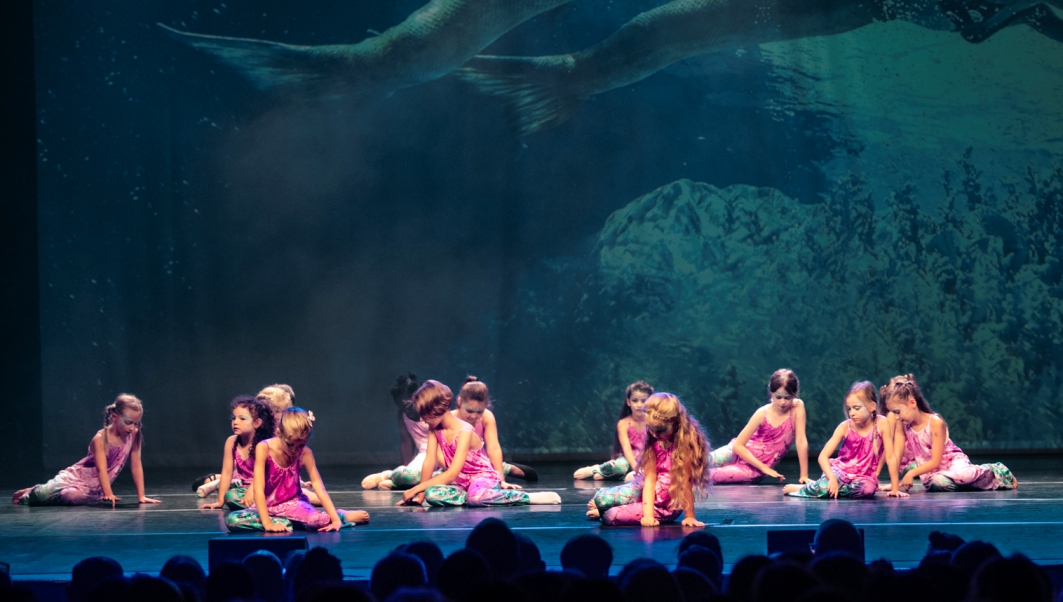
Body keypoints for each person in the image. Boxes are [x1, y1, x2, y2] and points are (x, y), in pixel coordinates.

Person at [397, 380, 560, 507]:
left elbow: (452, 473)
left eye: (424, 414)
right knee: (432, 494)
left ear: (435, 410)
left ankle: (527, 498)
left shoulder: (465, 431)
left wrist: (415, 488)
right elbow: (429, 461)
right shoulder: (435, 429)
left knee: (475, 497)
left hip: (482, 477)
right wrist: (420, 497)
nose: (422, 419)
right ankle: (474, 497)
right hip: (461, 483)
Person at [225, 407, 369, 531]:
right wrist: (267, 523)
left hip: (293, 505)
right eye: (290, 444)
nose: (294, 450)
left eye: (300, 445)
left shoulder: (305, 454)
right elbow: (258, 489)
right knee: (233, 520)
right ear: (279, 433)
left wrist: (336, 520)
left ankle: (340, 515)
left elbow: (319, 487)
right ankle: (293, 523)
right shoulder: (264, 448)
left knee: (315, 521)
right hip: (267, 506)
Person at [13, 394, 161, 507]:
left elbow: (136, 465)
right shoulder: (101, 438)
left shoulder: (134, 434)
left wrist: (141, 496)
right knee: (47, 495)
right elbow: (101, 469)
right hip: (76, 478)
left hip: (95, 486)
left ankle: (58, 494)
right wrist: (108, 493)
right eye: (128, 422)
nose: (132, 427)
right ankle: (35, 490)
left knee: (72, 497)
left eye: (136, 423)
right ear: (115, 417)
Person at [589, 392, 711, 527]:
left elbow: (685, 484)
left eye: (660, 430)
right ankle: (610, 508)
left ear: (675, 423)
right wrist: (648, 515)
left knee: (611, 516)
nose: (654, 434)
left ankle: (605, 512)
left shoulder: (683, 445)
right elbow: (650, 480)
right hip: (646, 492)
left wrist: (689, 517)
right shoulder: (654, 441)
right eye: (651, 429)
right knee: (600, 499)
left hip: (664, 505)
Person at [883, 374, 1017, 492]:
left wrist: (911, 473)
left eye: (897, 412)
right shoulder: (903, 424)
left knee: (964, 476)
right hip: (932, 472)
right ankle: (967, 484)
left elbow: (936, 461)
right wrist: (895, 485)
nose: (896, 417)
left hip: (951, 462)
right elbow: (897, 454)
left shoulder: (934, 422)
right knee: (938, 484)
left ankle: (994, 471)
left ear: (912, 403)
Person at [784, 381, 901, 498]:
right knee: (827, 488)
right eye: (849, 409)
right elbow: (823, 456)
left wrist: (895, 489)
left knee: (867, 490)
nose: (852, 413)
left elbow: (890, 457)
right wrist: (832, 477)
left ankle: (817, 487)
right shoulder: (845, 427)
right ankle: (814, 487)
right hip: (840, 472)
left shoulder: (882, 423)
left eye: (857, 408)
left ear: (872, 406)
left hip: (863, 477)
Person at [709, 369, 810, 484]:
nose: (782, 402)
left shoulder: (797, 407)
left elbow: (801, 441)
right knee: (699, 460)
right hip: (736, 453)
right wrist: (764, 468)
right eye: (778, 397)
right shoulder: (762, 413)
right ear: (771, 393)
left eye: (787, 398)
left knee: (705, 476)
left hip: (752, 469)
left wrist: (804, 475)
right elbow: (738, 446)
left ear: (795, 393)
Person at [201, 396, 276, 509]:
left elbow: (266, 474)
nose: (235, 422)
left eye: (242, 419)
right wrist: (220, 502)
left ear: (257, 423)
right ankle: (258, 505)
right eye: (234, 418)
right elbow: (227, 473)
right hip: (244, 488)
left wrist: (252, 491)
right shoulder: (231, 442)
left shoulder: (265, 444)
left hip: (265, 486)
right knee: (230, 496)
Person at [573, 381, 653, 481]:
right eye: (635, 401)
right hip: (627, 460)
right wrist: (635, 467)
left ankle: (610, 474)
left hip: (645, 459)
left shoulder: (653, 422)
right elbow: (627, 450)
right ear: (628, 402)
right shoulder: (623, 423)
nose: (639, 405)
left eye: (643, 401)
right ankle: (597, 468)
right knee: (620, 466)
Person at [361, 373, 429, 490]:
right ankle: (394, 477)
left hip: (439, 454)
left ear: (417, 397)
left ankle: (390, 478)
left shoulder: (430, 409)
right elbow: (406, 442)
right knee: (414, 473)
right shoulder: (403, 415)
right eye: (402, 407)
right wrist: (407, 467)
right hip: (424, 456)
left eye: (408, 405)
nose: (406, 410)